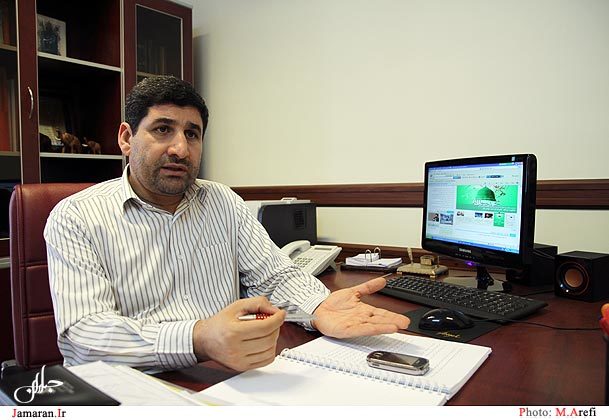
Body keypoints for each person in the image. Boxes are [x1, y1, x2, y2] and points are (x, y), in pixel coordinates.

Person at [44, 75, 409, 372]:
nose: (180, 149)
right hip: (131, 386)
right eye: (162, 129)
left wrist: (318, 306)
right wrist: (199, 338)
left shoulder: (222, 201)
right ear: (126, 138)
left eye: (192, 134)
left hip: (224, 375)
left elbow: (274, 276)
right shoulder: (76, 216)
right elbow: (85, 335)